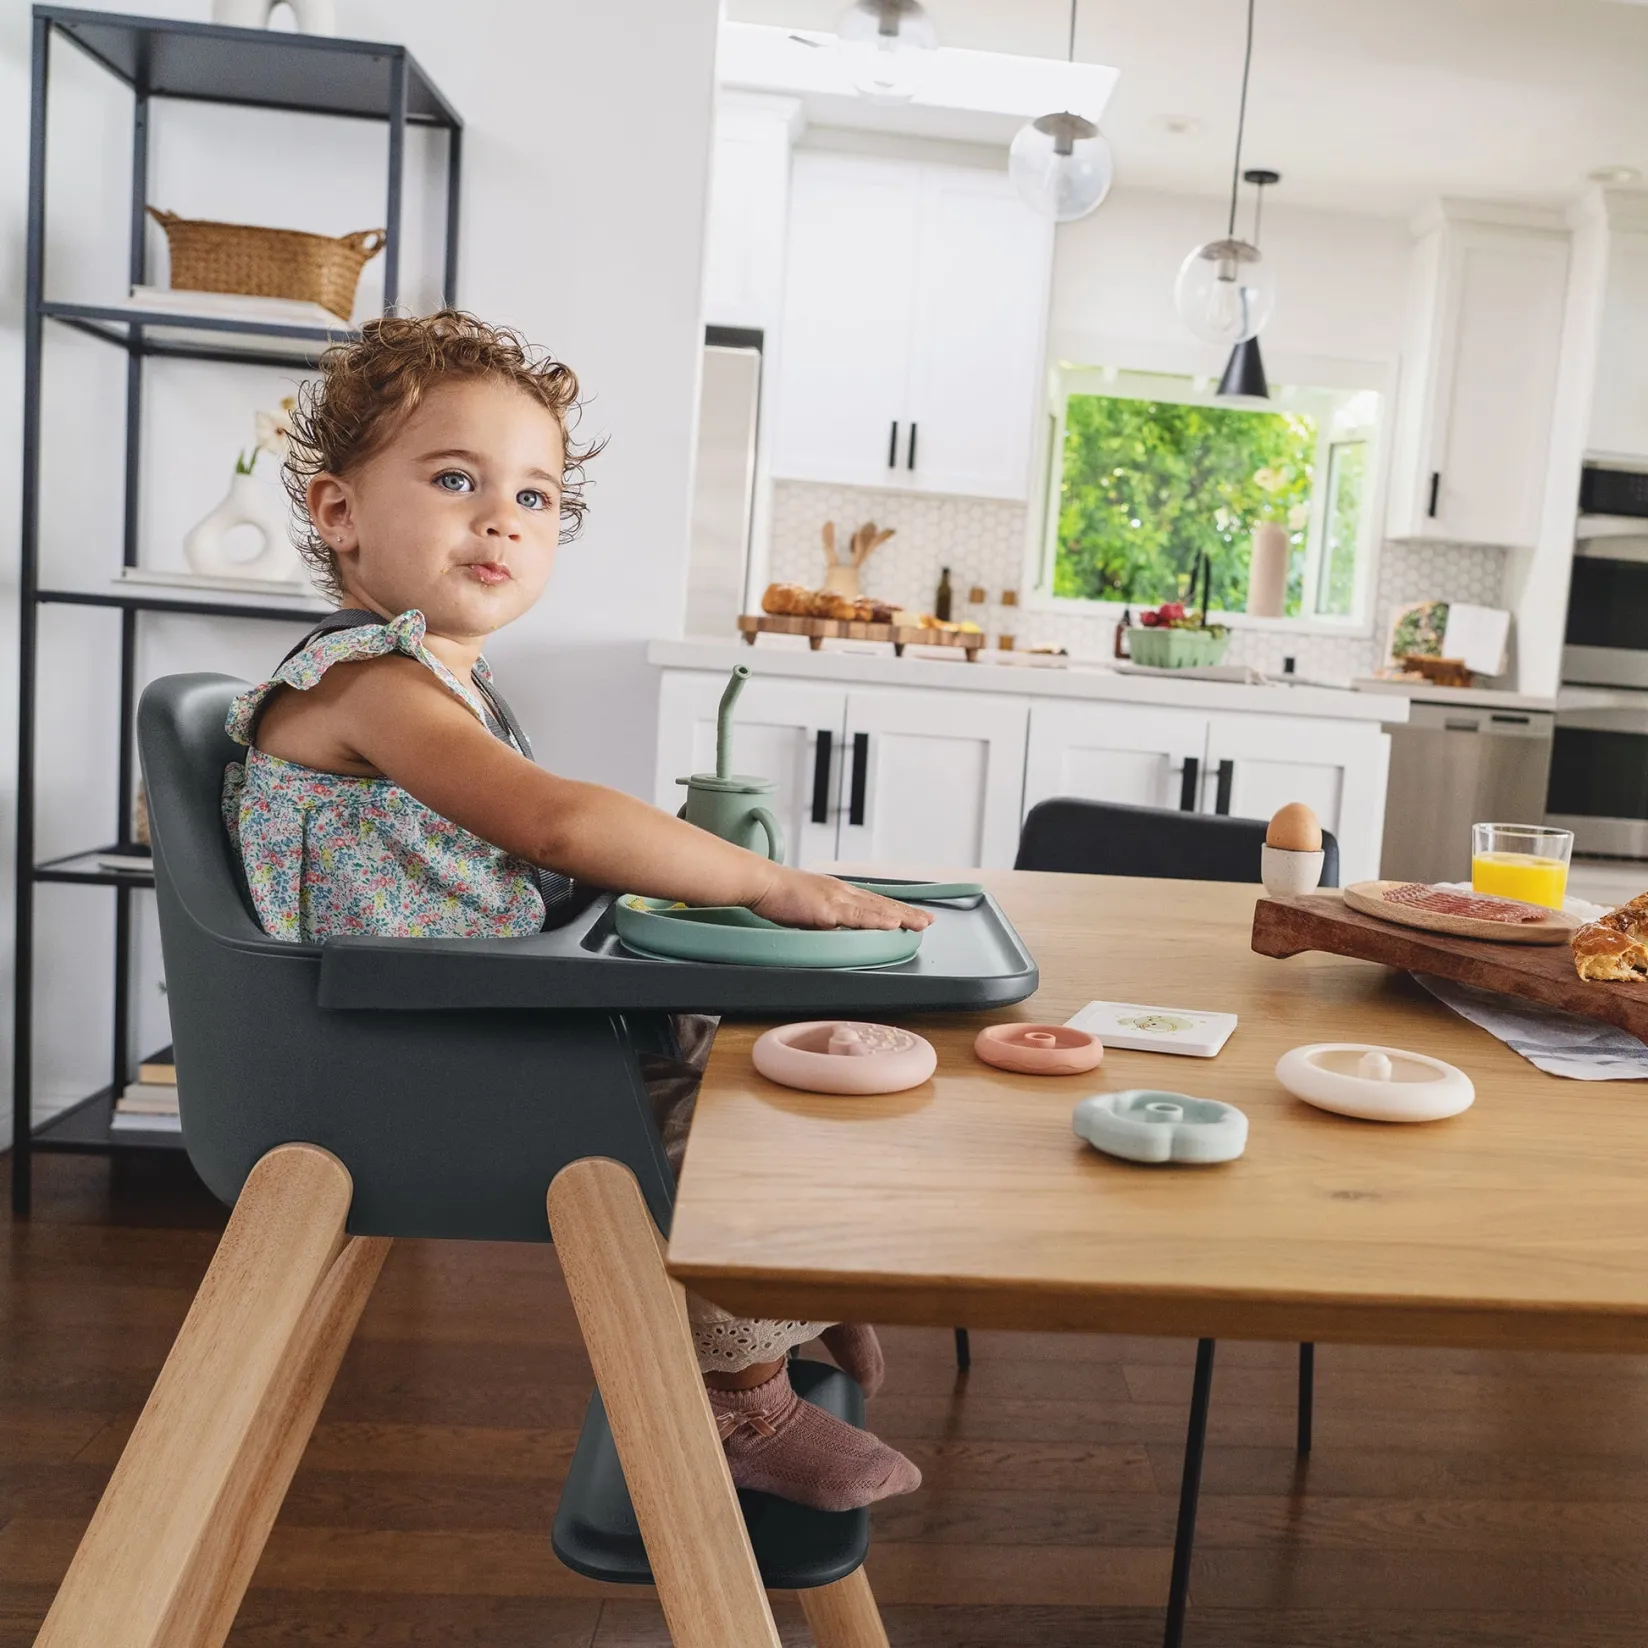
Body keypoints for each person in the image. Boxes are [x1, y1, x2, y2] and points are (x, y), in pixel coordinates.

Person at [221, 309, 925, 1513]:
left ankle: (785, 1293)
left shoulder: (440, 679)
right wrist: (766, 880)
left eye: (536, 496)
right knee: (712, 1115)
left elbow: (520, 857)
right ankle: (739, 1398)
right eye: (456, 479)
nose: (503, 517)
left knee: (739, 1045)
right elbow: (551, 823)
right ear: (340, 512)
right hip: (399, 1059)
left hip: (452, 1018)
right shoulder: (368, 682)